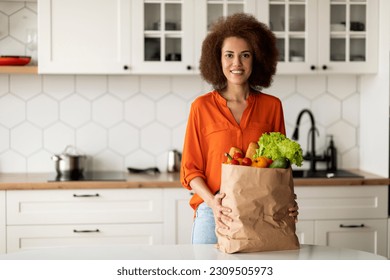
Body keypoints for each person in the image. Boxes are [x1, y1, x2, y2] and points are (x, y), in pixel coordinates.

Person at [180, 13, 298, 244]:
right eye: (229, 55)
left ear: (257, 59)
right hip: (214, 213)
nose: (237, 63)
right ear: (218, 60)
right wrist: (213, 204)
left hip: (262, 212)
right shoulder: (201, 107)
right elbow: (190, 171)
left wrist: (290, 201)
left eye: (245, 55)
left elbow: (281, 167)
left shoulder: (272, 106)